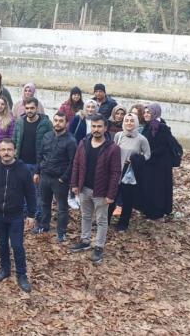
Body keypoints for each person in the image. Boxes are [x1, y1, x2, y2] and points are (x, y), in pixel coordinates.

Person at [0, 138, 36, 292]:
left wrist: (31, 214)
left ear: (14, 151)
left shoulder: (23, 170)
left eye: (9, 149)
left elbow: (31, 193)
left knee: (17, 245)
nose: (6, 153)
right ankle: (5, 269)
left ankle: (22, 274)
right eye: (3, 150)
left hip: (16, 214)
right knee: (2, 243)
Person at [69, 114, 122, 264]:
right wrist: (74, 184)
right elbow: (76, 164)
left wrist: (111, 194)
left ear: (105, 128)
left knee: (101, 220)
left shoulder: (113, 148)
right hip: (84, 188)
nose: (96, 129)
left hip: (102, 192)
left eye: (99, 126)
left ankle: (99, 246)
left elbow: (115, 173)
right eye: (93, 126)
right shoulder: (83, 143)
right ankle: (85, 241)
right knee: (85, 216)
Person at [34, 111, 77, 242]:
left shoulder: (71, 141)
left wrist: (63, 178)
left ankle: (61, 232)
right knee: (44, 203)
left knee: (62, 207)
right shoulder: (47, 136)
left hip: (60, 179)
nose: (57, 123)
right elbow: (40, 155)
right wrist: (37, 172)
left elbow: (73, 162)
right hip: (45, 176)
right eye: (56, 120)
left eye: (61, 121)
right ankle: (44, 225)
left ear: (66, 123)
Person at [14, 98, 52, 225]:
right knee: (22, 189)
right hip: (21, 162)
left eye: (32, 108)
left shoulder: (45, 123)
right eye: (27, 108)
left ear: (37, 108)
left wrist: (43, 165)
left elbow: (50, 143)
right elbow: (15, 139)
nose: (29, 111)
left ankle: (37, 215)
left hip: (37, 163)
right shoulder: (20, 121)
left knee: (37, 191)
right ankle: (25, 213)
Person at [112, 112, 150, 232]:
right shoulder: (118, 135)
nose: (129, 123)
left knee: (127, 199)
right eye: (127, 120)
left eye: (132, 121)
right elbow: (113, 150)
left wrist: (137, 159)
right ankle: (104, 220)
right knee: (111, 196)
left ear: (136, 123)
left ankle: (123, 223)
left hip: (129, 172)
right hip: (116, 170)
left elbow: (148, 155)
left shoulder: (141, 139)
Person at [140, 103, 175, 221]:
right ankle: (148, 210)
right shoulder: (148, 126)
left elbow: (162, 147)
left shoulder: (161, 127)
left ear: (155, 113)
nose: (145, 114)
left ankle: (157, 212)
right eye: (144, 112)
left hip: (160, 164)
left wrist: (148, 154)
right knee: (148, 187)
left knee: (158, 189)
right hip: (149, 163)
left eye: (148, 112)